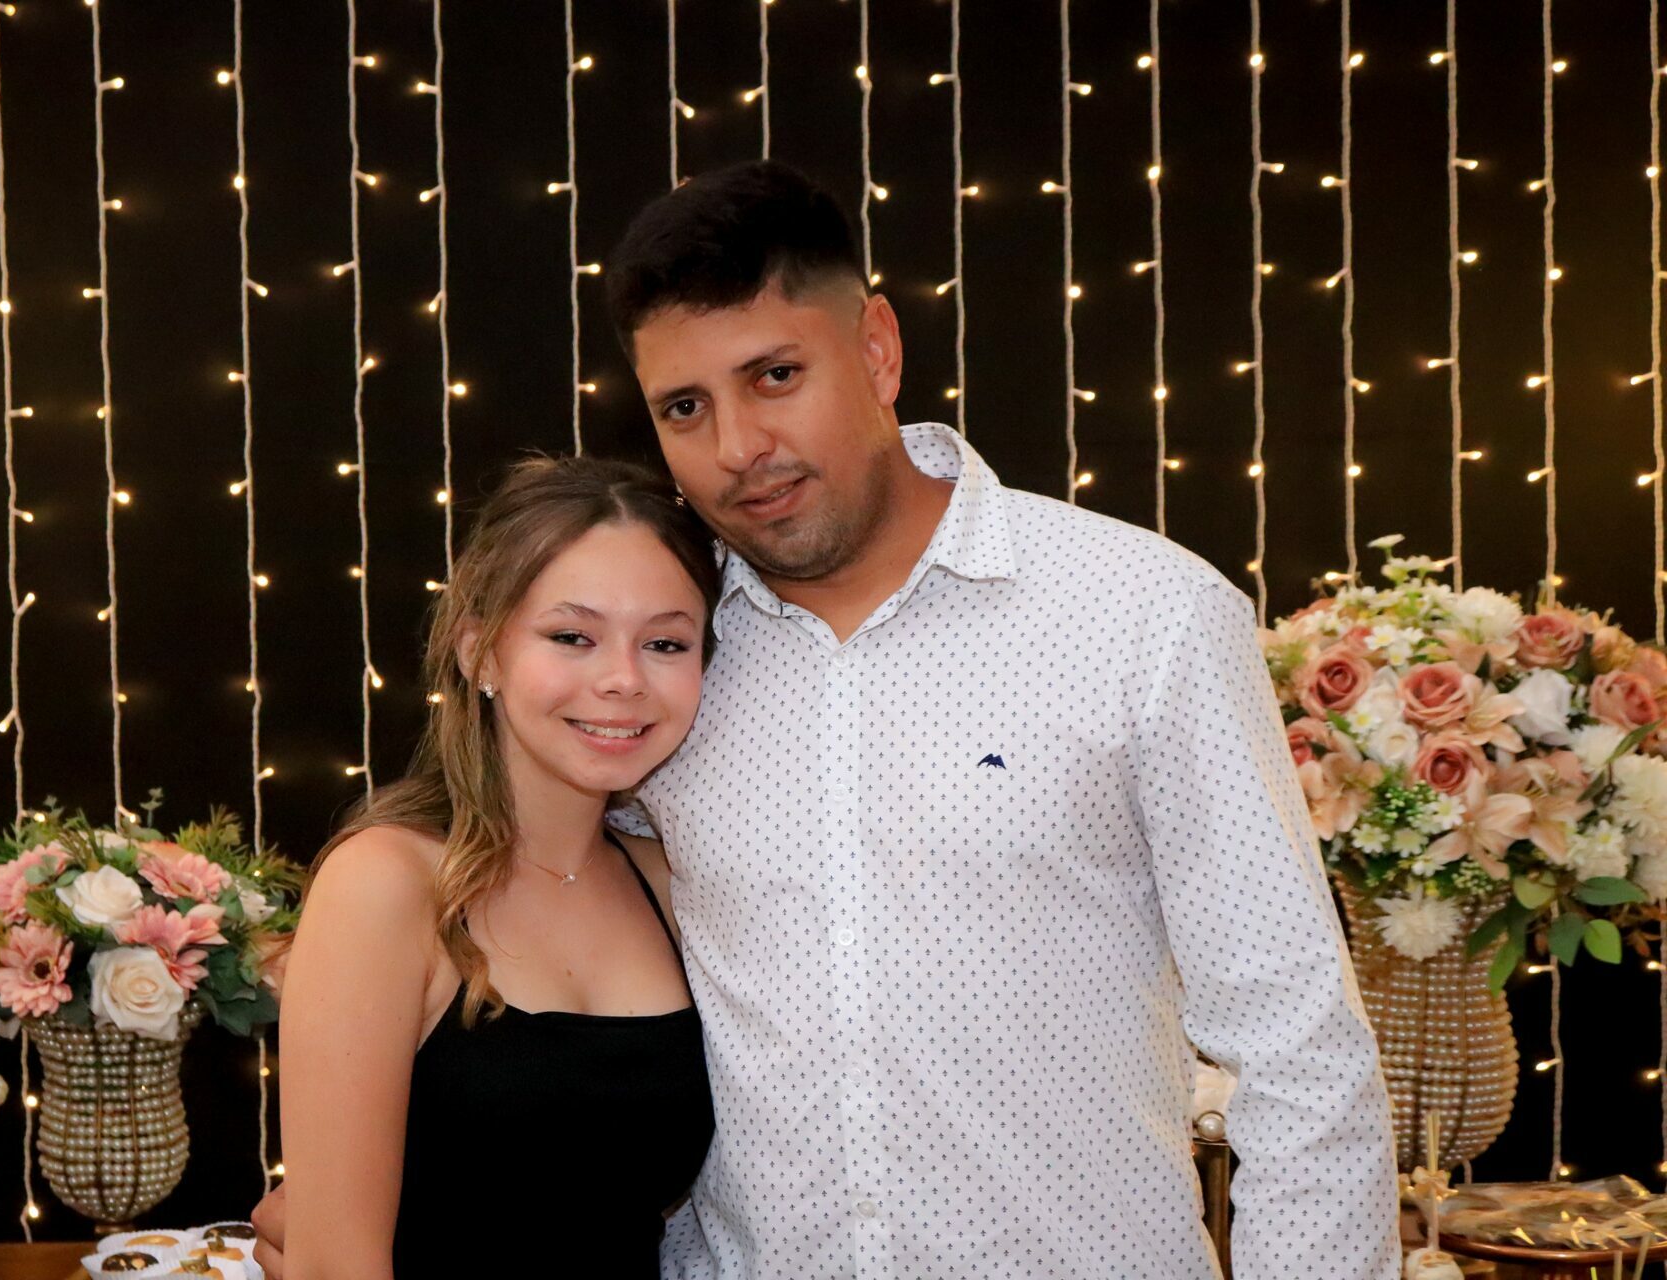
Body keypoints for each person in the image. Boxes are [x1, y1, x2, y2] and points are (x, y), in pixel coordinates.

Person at [258, 161, 1401, 1278]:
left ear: (877, 349)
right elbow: (539, 971)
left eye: (775, 375)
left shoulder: (1142, 614)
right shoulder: (675, 646)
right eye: (685, 407)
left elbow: (1300, 1053)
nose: (737, 447)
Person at [268, 455, 718, 1278]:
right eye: (572, 637)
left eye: (665, 642)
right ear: (480, 651)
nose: (623, 679)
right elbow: (332, 1265)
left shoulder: (669, 883)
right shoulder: (386, 883)